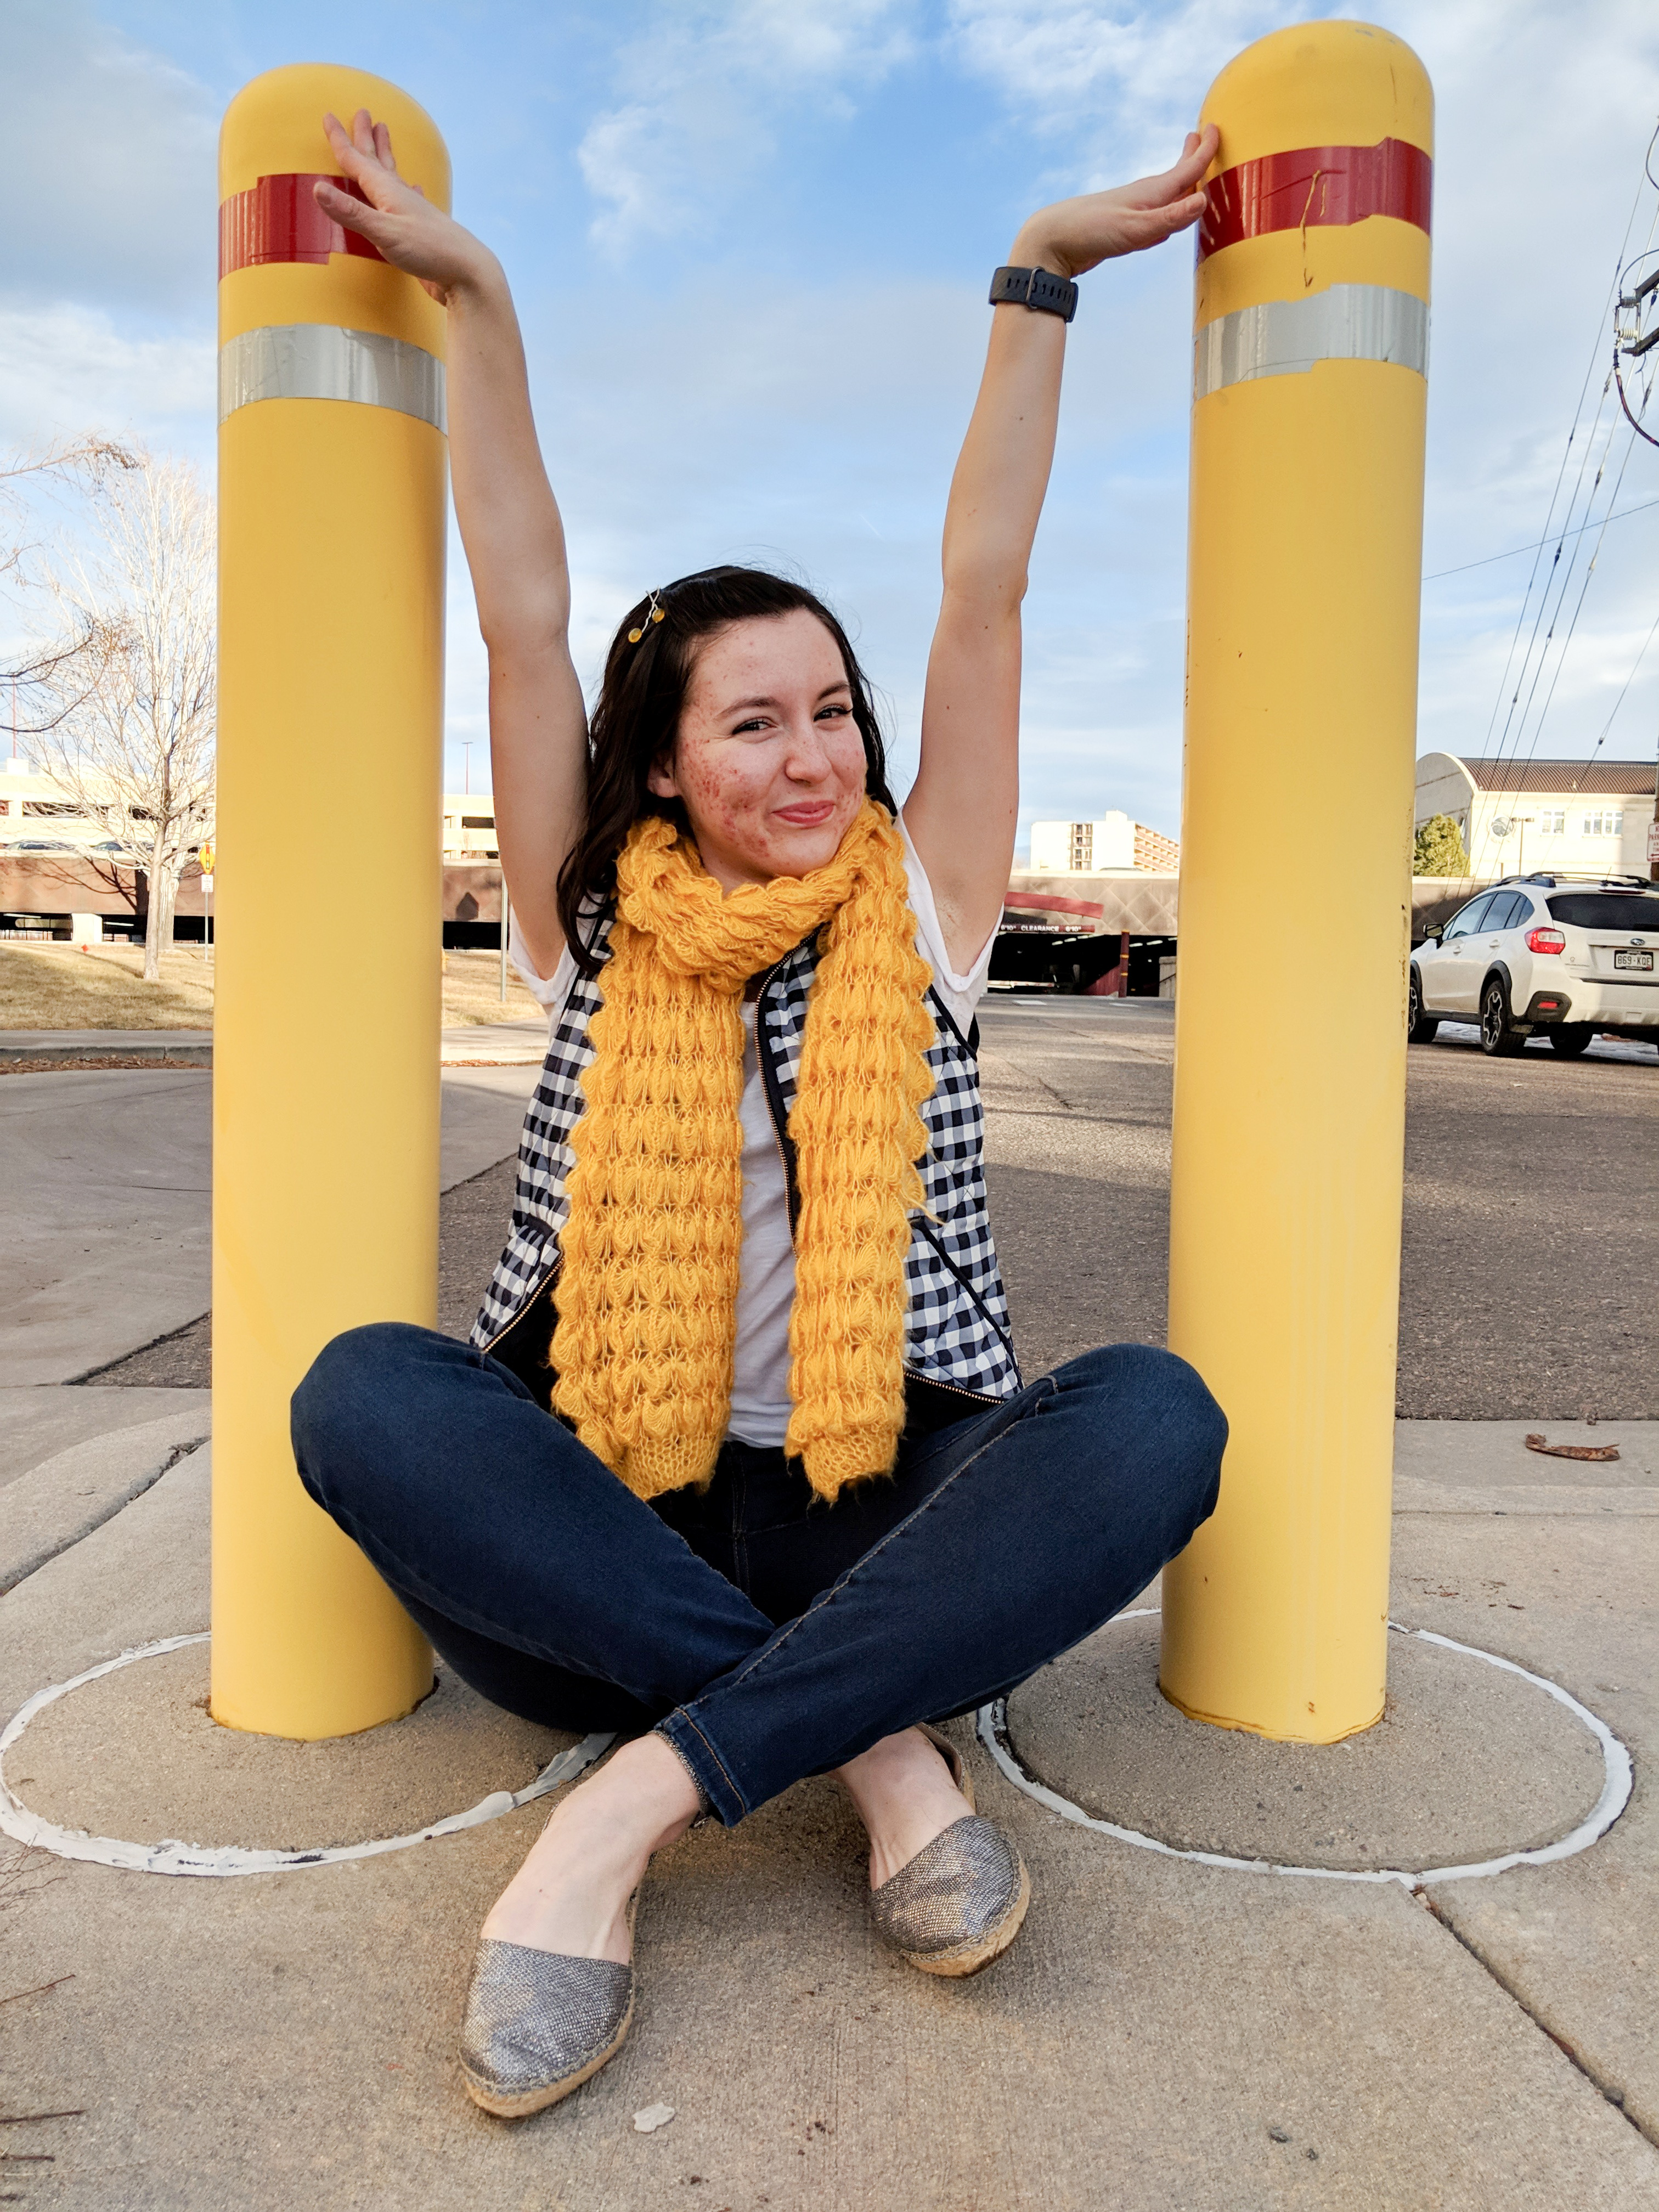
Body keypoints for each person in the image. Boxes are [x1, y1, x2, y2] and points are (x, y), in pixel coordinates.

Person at [290, 106, 1227, 2121]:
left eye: (834, 709)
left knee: (1154, 1416)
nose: (816, 757)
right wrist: (484, 299)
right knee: (362, 1393)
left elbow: (984, 593)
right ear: (661, 772)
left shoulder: (924, 908)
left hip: (870, 1512)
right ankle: (882, 1753)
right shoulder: (587, 927)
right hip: (598, 1528)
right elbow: (521, 615)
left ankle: (628, 1811)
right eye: (755, 721)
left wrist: (1038, 275)